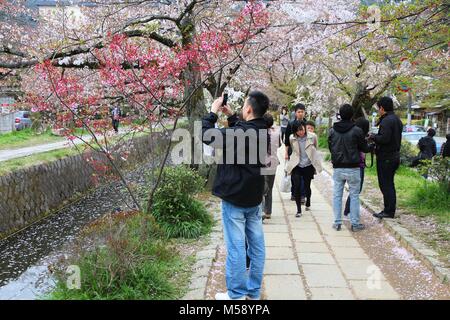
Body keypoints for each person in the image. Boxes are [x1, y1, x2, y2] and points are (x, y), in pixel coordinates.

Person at [202, 90, 269, 300]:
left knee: (236, 248)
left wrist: (212, 113)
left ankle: (237, 296)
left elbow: (207, 136)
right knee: (256, 246)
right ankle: (252, 292)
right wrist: (231, 116)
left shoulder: (242, 134)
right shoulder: (263, 130)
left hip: (235, 198)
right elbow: (243, 132)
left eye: (243, 107)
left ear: (248, 108)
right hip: (254, 197)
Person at [328, 105, 369, 231]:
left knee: (337, 195)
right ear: (352, 115)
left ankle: (337, 222)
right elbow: (364, 148)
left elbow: (331, 147)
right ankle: (355, 224)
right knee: (355, 195)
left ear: (340, 114)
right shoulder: (357, 130)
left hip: (338, 167)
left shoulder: (332, 130)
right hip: (353, 167)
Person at [368, 97, 403, 219]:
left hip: (386, 157)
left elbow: (384, 138)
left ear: (382, 108)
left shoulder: (387, 121)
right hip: (394, 155)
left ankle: (389, 211)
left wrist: (373, 136)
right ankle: (388, 209)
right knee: (389, 183)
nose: (378, 111)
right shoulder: (396, 119)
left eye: (378, 109)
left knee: (385, 184)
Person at [285, 120, 322, 217]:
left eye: (302, 130)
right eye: (298, 131)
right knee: (296, 186)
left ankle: (308, 201)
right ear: (295, 131)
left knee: (306, 186)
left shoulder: (312, 136)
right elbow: (293, 150)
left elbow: (316, 148)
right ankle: (298, 210)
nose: (301, 132)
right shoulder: (292, 138)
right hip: (297, 165)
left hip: (308, 165)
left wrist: (314, 161)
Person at [343, 117, 370, 218]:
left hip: (348, 165)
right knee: (356, 190)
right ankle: (349, 212)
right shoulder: (360, 137)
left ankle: (347, 210)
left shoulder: (351, 133)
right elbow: (365, 149)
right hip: (358, 166)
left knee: (353, 190)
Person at [284, 103, 307, 202]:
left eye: (302, 111)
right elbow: (286, 140)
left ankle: (302, 195)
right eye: (299, 112)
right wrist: (286, 153)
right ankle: (294, 193)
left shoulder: (306, 123)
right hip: (293, 152)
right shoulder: (291, 123)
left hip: (304, 152)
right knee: (294, 174)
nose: (300, 113)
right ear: (295, 112)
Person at [262, 113, 280, 220]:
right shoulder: (276, 133)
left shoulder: (258, 133)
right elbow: (279, 145)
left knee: (260, 187)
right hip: (273, 163)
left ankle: (261, 210)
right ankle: (268, 211)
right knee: (270, 187)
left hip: (262, 163)